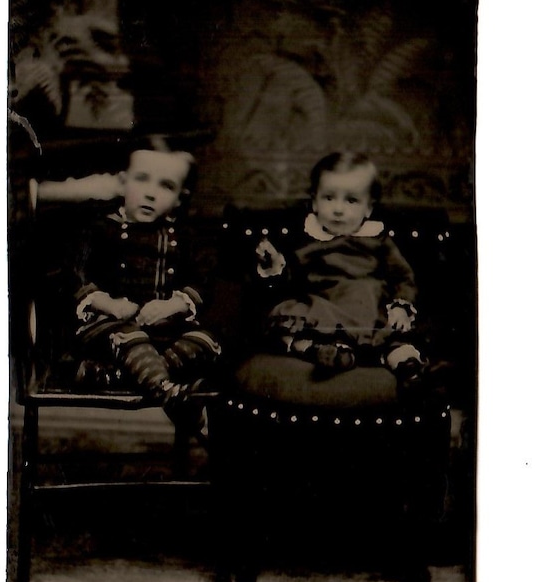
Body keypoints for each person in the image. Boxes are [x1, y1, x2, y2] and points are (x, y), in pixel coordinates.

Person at [73, 141, 221, 434]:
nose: (151, 193)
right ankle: (172, 394)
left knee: (205, 342)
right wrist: (110, 304)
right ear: (123, 182)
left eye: (166, 186)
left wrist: (173, 305)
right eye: (142, 180)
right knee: (131, 338)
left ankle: (113, 376)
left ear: (180, 198)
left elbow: (204, 280)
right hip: (112, 330)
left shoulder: (184, 237)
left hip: (167, 332)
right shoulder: (101, 230)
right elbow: (75, 275)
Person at [255, 151, 427, 383]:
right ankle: (321, 351)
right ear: (314, 201)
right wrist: (275, 265)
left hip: (366, 304)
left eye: (351, 200)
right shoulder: (308, 239)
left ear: (368, 208)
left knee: (395, 336)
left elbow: (403, 277)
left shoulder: (377, 240)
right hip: (322, 304)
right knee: (285, 321)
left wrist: (401, 306)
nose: (338, 209)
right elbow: (291, 278)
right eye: (329, 198)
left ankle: (405, 363)